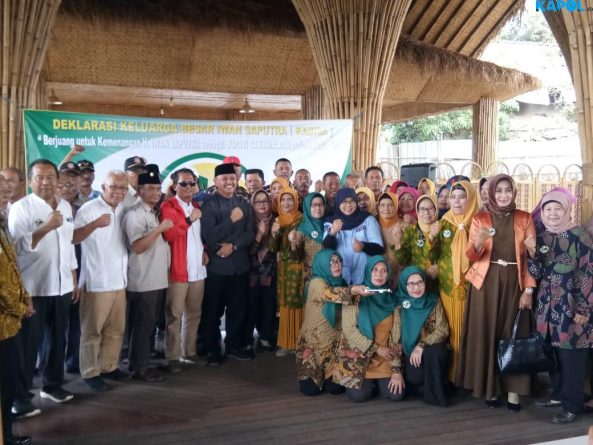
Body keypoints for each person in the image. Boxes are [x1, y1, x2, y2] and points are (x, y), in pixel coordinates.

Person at [458, 174, 536, 411]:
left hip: (515, 283)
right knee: (487, 333)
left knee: (515, 335)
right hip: (485, 283)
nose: (503, 195)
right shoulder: (480, 218)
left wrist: (529, 290)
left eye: (507, 190)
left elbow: (532, 260)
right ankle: (490, 389)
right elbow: (471, 256)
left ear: (514, 192)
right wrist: (479, 242)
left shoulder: (524, 218)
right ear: (491, 193)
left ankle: (514, 393)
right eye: (498, 190)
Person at [9, 159, 77, 414]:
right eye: (40, 177)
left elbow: (68, 244)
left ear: (58, 180)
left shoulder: (65, 206)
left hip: (61, 284)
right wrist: (47, 227)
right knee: (28, 344)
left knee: (58, 339)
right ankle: (20, 397)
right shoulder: (21, 208)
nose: (46, 182)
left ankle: (52, 385)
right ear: (30, 181)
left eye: (50, 177)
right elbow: (16, 247)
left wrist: (73, 277)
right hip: (32, 288)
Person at [528, 191, 593, 424]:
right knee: (552, 353)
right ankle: (557, 396)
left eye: (558, 209)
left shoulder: (580, 236)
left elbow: (588, 272)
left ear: (566, 210)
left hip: (572, 307)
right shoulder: (543, 237)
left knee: (572, 356)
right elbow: (536, 273)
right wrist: (531, 254)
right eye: (548, 209)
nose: (553, 214)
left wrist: (584, 309)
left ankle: (572, 405)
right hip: (547, 307)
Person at [74, 170, 130, 391]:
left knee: (115, 330)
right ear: (104, 187)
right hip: (96, 281)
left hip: (119, 280)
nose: (118, 191)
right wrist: (95, 223)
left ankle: (109, 367)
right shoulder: (89, 209)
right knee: (92, 331)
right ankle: (90, 372)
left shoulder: (123, 209)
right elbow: (73, 238)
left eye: (123, 188)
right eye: (114, 186)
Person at [201, 163, 254, 364]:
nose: (229, 182)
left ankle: (233, 346)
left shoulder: (243, 203)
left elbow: (249, 233)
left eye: (232, 178)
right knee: (213, 311)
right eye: (224, 179)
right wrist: (230, 220)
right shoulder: (209, 205)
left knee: (237, 310)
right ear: (216, 181)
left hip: (240, 266)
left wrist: (234, 245)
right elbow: (209, 235)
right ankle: (212, 349)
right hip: (216, 268)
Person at [296, 249, 369, 396]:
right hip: (313, 347)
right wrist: (353, 290)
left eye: (339, 261)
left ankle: (329, 372)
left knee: (336, 389)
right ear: (322, 264)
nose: (337, 265)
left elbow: (350, 309)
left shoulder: (342, 283)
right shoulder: (316, 283)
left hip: (334, 347)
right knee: (310, 390)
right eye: (331, 262)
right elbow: (328, 294)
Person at [123, 169, 172, 382]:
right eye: (150, 188)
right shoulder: (135, 214)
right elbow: (138, 247)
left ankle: (143, 362)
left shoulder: (152, 211)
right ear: (139, 190)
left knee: (148, 324)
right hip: (143, 281)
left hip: (156, 278)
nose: (156, 192)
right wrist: (159, 230)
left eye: (158, 188)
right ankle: (139, 368)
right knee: (142, 326)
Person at [159, 168, 207, 371]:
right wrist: (189, 220)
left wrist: (205, 250)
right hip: (178, 270)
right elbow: (169, 235)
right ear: (174, 186)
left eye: (192, 183)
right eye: (183, 183)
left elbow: (200, 236)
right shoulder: (168, 206)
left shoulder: (196, 205)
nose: (188, 187)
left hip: (198, 270)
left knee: (194, 314)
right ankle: (173, 356)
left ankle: (190, 352)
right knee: (174, 316)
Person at [335, 256, 401, 402]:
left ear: (388, 274)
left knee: (396, 394)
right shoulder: (354, 297)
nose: (379, 274)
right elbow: (350, 331)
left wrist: (396, 370)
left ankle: (376, 383)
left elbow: (396, 335)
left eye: (384, 270)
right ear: (368, 271)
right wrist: (376, 349)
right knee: (359, 396)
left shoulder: (392, 299)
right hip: (359, 356)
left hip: (385, 358)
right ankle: (370, 384)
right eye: (375, 270)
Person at [434, 180, 479, 381]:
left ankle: (469, 376)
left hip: (472, 287)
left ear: (471, 199)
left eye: (462, 197)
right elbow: (433, 254)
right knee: (451, 331)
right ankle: (453, 376)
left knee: (470, 331)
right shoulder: (444, 222)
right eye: (453, 197)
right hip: (448, 286)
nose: (457, 201)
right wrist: (431, 238)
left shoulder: (479, 222)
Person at [394, 266, 451, 406]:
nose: (416, 287)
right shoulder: (400, 306)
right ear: (404, 285)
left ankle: (435, 396)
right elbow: (395, 339)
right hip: (409, 355)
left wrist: (421, 345)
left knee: (436, 351)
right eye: (411, 284)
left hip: (430, 352)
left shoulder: (433, 300)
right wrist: (396, 370)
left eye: (420, 282)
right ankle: (427, 388)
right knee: (415, 377)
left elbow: (442, 329)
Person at [0, 212, 34, 445]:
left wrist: (26, 297)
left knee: (9, 380)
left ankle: (7, 430)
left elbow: (13, 268)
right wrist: (20, 308)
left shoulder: (3, 226)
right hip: (4, 322)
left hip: (10, 323)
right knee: (6, 382)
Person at [322, 188, 383, 285]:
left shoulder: (367, 219)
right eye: (344, 201)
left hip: (364, 276)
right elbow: (327, 248)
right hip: (339, 276)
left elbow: (379, 249)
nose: (348, 205)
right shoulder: (331, 221)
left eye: (352, 201)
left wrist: (363, 246)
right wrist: (332, 232)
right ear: (338, 203)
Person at [269, 187, 303, 356]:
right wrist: (274, 234)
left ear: (296, 201)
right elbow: (272, 248)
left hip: (297, 269)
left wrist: (281, 255)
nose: (286, 203)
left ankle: (299, 344)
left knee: (298, 305)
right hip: (283, 272)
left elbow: (299, 250)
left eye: (290, 199)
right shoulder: (277, 220)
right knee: (284, 306)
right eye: (283, 200)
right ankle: (285, 343)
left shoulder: (302, 220)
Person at [246, 190, 277, 352]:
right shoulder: (248, 221)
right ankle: (247, 339)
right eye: (258, 202)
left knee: (268, 305)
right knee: (250, 306)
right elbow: (249, 251)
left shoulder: (276, 221)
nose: (262, 205)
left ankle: (265, 337)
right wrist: (259, 234)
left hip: (270, 271)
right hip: (251, 272)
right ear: (252, 204)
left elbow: (278, 248)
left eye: (265, 201)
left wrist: (273, 234)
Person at [394, 195, 440, 293]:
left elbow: (450, 254)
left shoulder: (443, 228)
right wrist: (397, 243)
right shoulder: (411, 230)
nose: (426, 212)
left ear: (436, 209)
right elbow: (403, 260)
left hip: (440, 280)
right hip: (417, 281)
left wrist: (439, 266)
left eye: (430, 208)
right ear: (417, 211)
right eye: (422, 209)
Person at [294, 193, 326, 293]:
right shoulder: (302, 230)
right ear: (307, 207)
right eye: (313, 205)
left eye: (320, 205)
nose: (318, 208)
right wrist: (293, 244)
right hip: (310, 277)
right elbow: (296, 257)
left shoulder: (329, 225)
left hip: (329, 274)